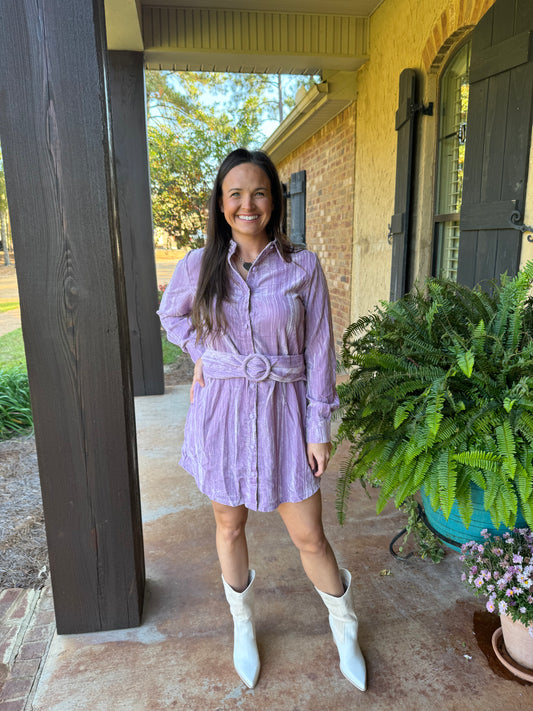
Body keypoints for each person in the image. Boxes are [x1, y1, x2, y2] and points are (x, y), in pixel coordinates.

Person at [158, 148, 366, 692]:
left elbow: (320, 348)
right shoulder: (197, 266)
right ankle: (243, 623)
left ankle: (345, 627)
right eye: (235, 194)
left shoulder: (304, 267)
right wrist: (202, 352)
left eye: (258, 192)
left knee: (311, 538)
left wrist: (318, 427)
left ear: (274, 200)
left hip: (284, 415)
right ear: (221, 204)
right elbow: (170, 315)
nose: (247, 203)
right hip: (222, 415)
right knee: (229, 526)